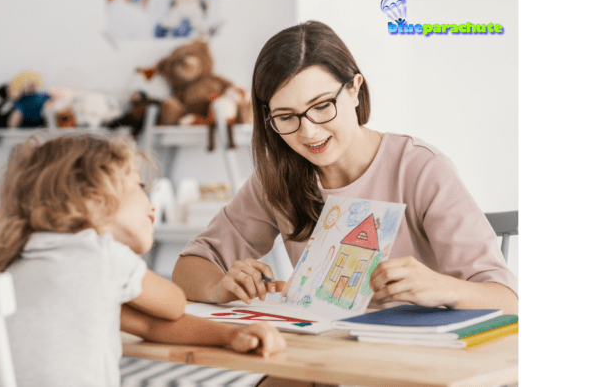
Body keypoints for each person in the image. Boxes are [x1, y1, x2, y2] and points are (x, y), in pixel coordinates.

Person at [172, 20, 518, 387]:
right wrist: (218, 286)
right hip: (324, 361)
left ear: (354, 89)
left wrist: (443, 287)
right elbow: (189, 268)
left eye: (322, 106)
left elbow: (507, 301)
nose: (309, 132)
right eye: (286, 117)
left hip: (415, 363)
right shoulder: (277, 178)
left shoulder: (419, 167)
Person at [0, 134, 286, 387]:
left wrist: (232, 335)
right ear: (94, 200)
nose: (149, 201)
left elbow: (146, 325)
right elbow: (173, 305)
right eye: (139, 187)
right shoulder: (103, 256)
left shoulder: (22, 259)